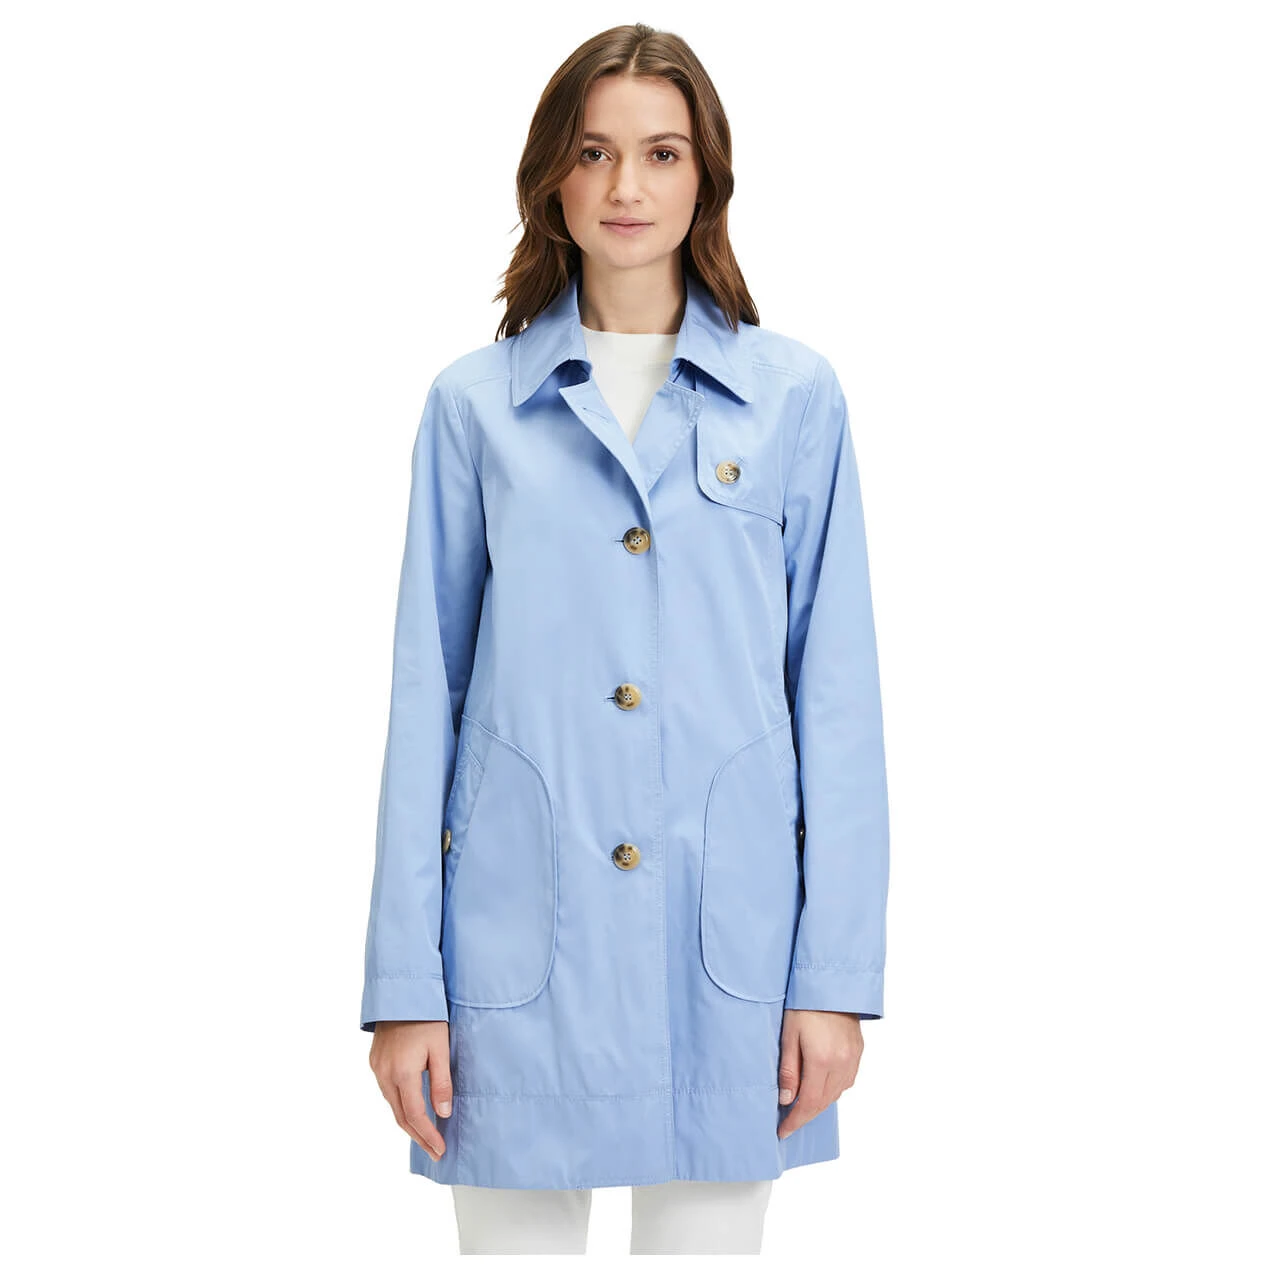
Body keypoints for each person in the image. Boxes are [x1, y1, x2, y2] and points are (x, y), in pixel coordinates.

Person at [360, 22, 891, 1255]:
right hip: (510, 946)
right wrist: (402, 986)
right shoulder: (473, 406)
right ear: (551, 174)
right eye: (593, 152)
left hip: (729, 951)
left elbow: (836, 695)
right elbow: (425, 694)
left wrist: (833, 978)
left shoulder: (792, 397)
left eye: (660, 153)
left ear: (706, 174)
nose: (625, 187)